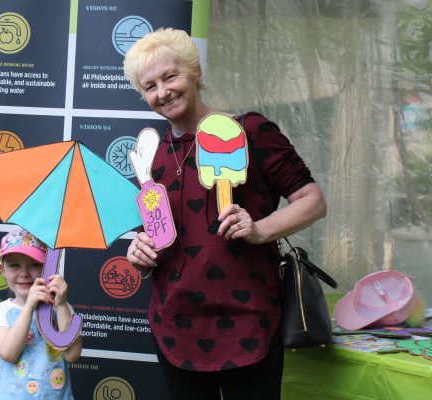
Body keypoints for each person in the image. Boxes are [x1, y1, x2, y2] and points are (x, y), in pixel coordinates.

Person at [123, 28, 327, 399]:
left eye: (170, 76)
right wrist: (140, 254)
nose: (163, 92)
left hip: (249, 321)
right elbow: (155, 238)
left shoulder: (248, 130)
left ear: (195, 72)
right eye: (150, 86)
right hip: (175, 326)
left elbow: (312, 199)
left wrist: (260, 229)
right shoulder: (149, 155)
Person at [0, 228, 82, 399]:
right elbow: (8, 353)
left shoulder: (61, 308)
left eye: (35, 265)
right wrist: (29, 307)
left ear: (48, 268)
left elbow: (72, 355)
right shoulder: (0, 311)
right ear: (2, 269)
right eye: (14, 265)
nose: (24, 273)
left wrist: (62, 305)